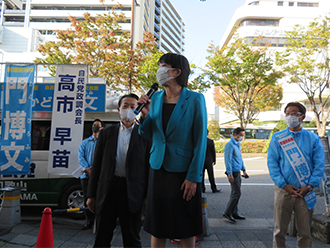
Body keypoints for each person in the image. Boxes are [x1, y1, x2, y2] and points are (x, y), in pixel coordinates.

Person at [138, 53, 207, 248]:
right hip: (157, 169)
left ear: (177, 72)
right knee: (156, 225)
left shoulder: (195, 99)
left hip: (183, 173)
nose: (159, 70)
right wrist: (145, 115)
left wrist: (194, 177)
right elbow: (147, 133)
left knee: (185, 226)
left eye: (164, 66)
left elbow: (200, 140)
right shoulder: (156, 98)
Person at [86, 94, 150, 248]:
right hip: (108, 190)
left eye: (133, 106)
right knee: (102, 237)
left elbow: (148, 168)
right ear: (118, 109)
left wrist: (147, 197)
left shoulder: (145, 135)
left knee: (132, 239)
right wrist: (91, 195)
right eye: (125, 105)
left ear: (138, 110)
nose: (128, 109)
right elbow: (97, 165)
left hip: (133, 193)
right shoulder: (107, 133)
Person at [267, 102, 324, 248]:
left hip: (306, 191)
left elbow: (319, 165)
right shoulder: (278, 137)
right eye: (287, 113)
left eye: (294, 113)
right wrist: (283, 185)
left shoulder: (313, 139)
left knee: (305, 232)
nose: (289, 116)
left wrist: (310, 186)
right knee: (279, 231)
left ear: (302, 117)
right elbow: (272, 164)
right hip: (283, 190)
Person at [78, 118, 103, 230]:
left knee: (99, 198)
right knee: (87, 198)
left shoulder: (103, 142)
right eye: (94, 125)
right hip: (86, 176)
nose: (95, 127)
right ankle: (89, 221)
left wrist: (95, 170)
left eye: (97, 125)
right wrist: (88, 169)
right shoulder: (85, 142)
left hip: (99, 176)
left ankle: (99, 221)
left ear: (101, 128)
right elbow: (80, 157)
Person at [223, 127, 248, 223]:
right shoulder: (230, 145)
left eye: (243, 135)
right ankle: (228, 212)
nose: (242, 137)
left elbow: (240, 158)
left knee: (235, 193)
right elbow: (227, 160)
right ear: (235, 134)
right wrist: (229, 173)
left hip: (238, 171)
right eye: (241, 135)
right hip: (233, 172)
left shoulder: (238, 144)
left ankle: (234, 212)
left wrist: (244, 170)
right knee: (237, 193)